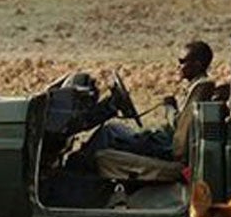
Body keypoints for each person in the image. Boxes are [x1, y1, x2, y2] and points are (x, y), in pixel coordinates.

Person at [85, 40, 216, 160]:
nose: (178, 66)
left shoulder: (200, 88)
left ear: (197, 65)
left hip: (165, 144)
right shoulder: (196, 86)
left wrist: (170, 107)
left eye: (182, 62)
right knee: (113, 128)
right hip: (164, 138)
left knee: (108, 133)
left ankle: (78, 171)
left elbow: (181, 127)